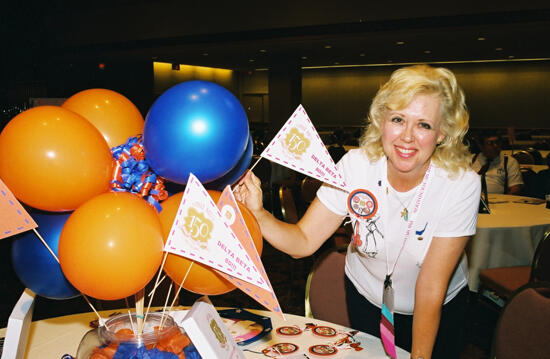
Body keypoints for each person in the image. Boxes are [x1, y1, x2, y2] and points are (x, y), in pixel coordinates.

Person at [235, 64, 480, 359]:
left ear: (442, 133)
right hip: (366, 298)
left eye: (424, 125)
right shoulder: (356, 165)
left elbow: (430, 287)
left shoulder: (461, 183)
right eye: (399, 119)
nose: (407, 136)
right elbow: (303, 242)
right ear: (382, 122)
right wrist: (259, 213)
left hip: (437, 309)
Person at [471, 130, 523, 195]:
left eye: (497, 142)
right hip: (473, 199)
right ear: (481, 146)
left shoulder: (509, 162)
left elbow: (516, 188)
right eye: (491, 143)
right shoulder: (470, 160)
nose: (495, 146)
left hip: (500, 201)